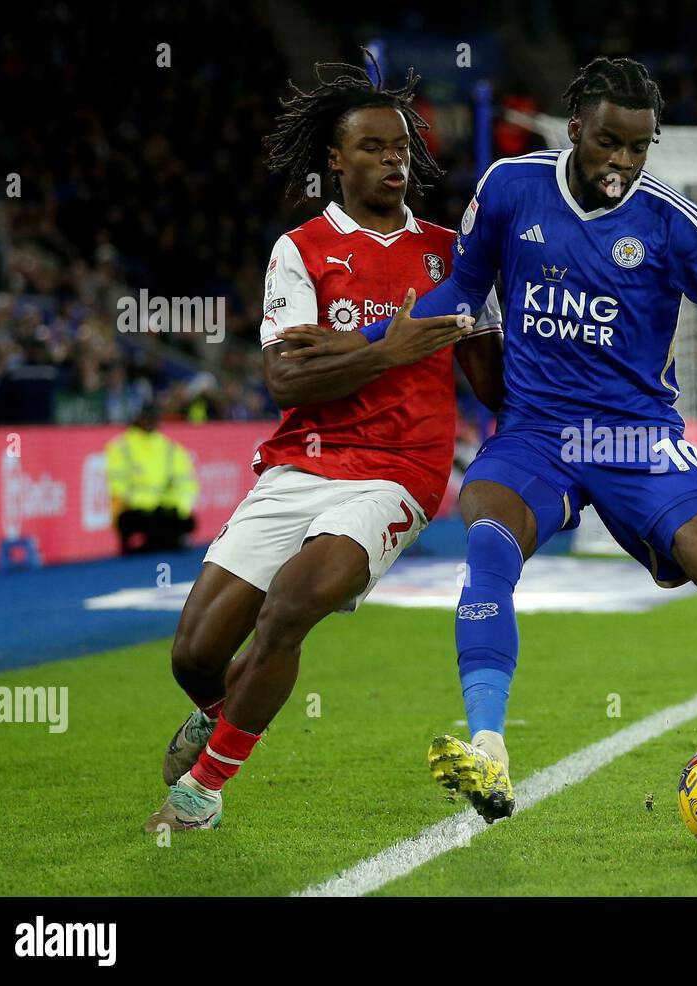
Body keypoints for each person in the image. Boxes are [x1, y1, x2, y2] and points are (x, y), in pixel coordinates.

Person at [289, 58, 697, 824]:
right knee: (486, 537)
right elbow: (461, 296)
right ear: (575, 128)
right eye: (609, 142)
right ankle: (490, 750)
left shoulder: (674, 225)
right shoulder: (510, 189)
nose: (623, 163)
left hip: (638, 441)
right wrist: (363, 339)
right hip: (536, 433)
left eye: (639, 148)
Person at [145, 56, 503, 832]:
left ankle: (201, 792)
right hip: (302, 459)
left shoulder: (452, 255)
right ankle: (230, 710)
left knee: (290, 608)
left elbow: (492, 383)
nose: (393, 160)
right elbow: (287, 379)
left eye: (402, 148)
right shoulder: (300, 249)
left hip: (399, 472)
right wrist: (388, 352)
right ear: (335, 161)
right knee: (194, 656)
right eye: (373, 148)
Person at [104, 404, 198, 553]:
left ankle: (159, 541)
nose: (150, 421)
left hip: (164, 509)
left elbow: (185, 484)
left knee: (187, 521)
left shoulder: (170, 448)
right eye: (147, 417)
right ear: (138, 418)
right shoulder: (121, 447)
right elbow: (117, 486)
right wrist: (149, 503)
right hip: (134, 510)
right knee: (145, 522)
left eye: (154, 417)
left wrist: (176, 506)